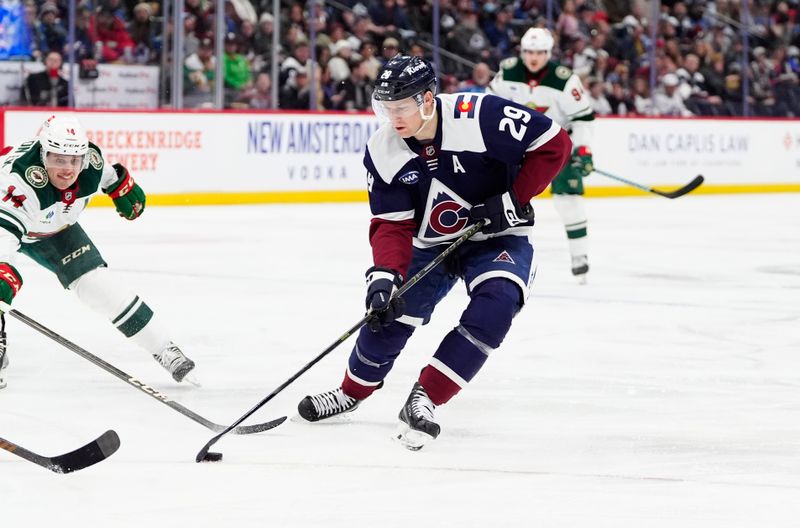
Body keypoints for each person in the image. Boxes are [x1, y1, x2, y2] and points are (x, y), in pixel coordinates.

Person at [296, 56, 571, 450]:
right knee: (388, 314)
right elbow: (392, 223)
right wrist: (385, 274)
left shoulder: (479, 114)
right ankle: (351, 391)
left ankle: (426, 396)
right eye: (386, 108)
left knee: (497, 306)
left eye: (401, 107)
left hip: (497, 236)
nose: (393, 118)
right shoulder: (384, 148)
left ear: (427, 99)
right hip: (429, 243)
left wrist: (514, 198)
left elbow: (554, 144)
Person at [0, 115, 195, 389]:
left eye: (74, 160)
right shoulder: (18, 183)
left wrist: (118, 187)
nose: (68, 169)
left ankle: (163, 347)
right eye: (58, 160)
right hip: (5, 220)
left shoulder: (91, 161)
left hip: (54, 229)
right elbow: (3, 242)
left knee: (99, 286)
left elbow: (107, 175)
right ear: (43, 155)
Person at [487, 28, 595, 283]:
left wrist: (583, 149)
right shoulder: (508, 72)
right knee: (503, 201)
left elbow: (583, 119)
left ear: (548, 53)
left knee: (568, 202)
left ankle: (579, 258)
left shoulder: (565, 80)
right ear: (522, 52)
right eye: (529, 52)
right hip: (517, 148)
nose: (534, 57)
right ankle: (493, 256)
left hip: (556, 148)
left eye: (539, 52)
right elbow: (489, 108)